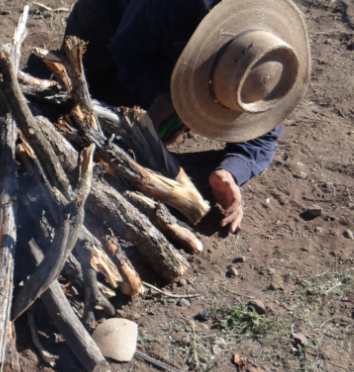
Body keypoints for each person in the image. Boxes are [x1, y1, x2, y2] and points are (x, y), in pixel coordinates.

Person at [63, 0, 310, 232]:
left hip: (169, 30)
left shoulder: (269, 47)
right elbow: (126, 49)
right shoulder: (172, 5)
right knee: (75, 101)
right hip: (114, 14)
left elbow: (262, 136)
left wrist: (231, 172)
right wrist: (159, 94)